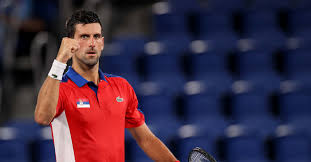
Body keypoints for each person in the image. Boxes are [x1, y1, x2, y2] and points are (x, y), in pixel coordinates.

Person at [34, 10, 179, 162]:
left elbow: (146, 140)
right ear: (69, 43)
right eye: (84, 36)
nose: (92, 43)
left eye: (96, 36)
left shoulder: (121, 87)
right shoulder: (60, 88)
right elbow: (42, 117)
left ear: (102, 43)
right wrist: (60, 60)